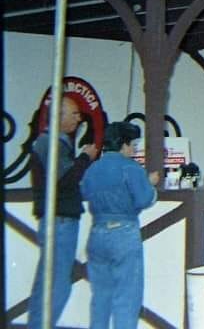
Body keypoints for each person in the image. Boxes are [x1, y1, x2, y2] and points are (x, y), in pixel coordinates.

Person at [28, 96, 100, 329]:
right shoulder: (52, 144)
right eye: (75, 114)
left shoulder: (49, 143)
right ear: (58, 116)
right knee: (57, 286)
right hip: (59, 222)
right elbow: (66, 178)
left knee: (48, 285)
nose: (80, 119)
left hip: (55, 221)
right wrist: (85, 158)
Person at [80, 122, 159, 329]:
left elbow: (84, 192)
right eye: (132, 144)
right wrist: (149, 184)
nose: (133, 149)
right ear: (123, 145)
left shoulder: (93, 168)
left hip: (97, 234)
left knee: (100, 299)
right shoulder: (131, 168)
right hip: (123, 233)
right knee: (126, 299)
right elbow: (144, 199)